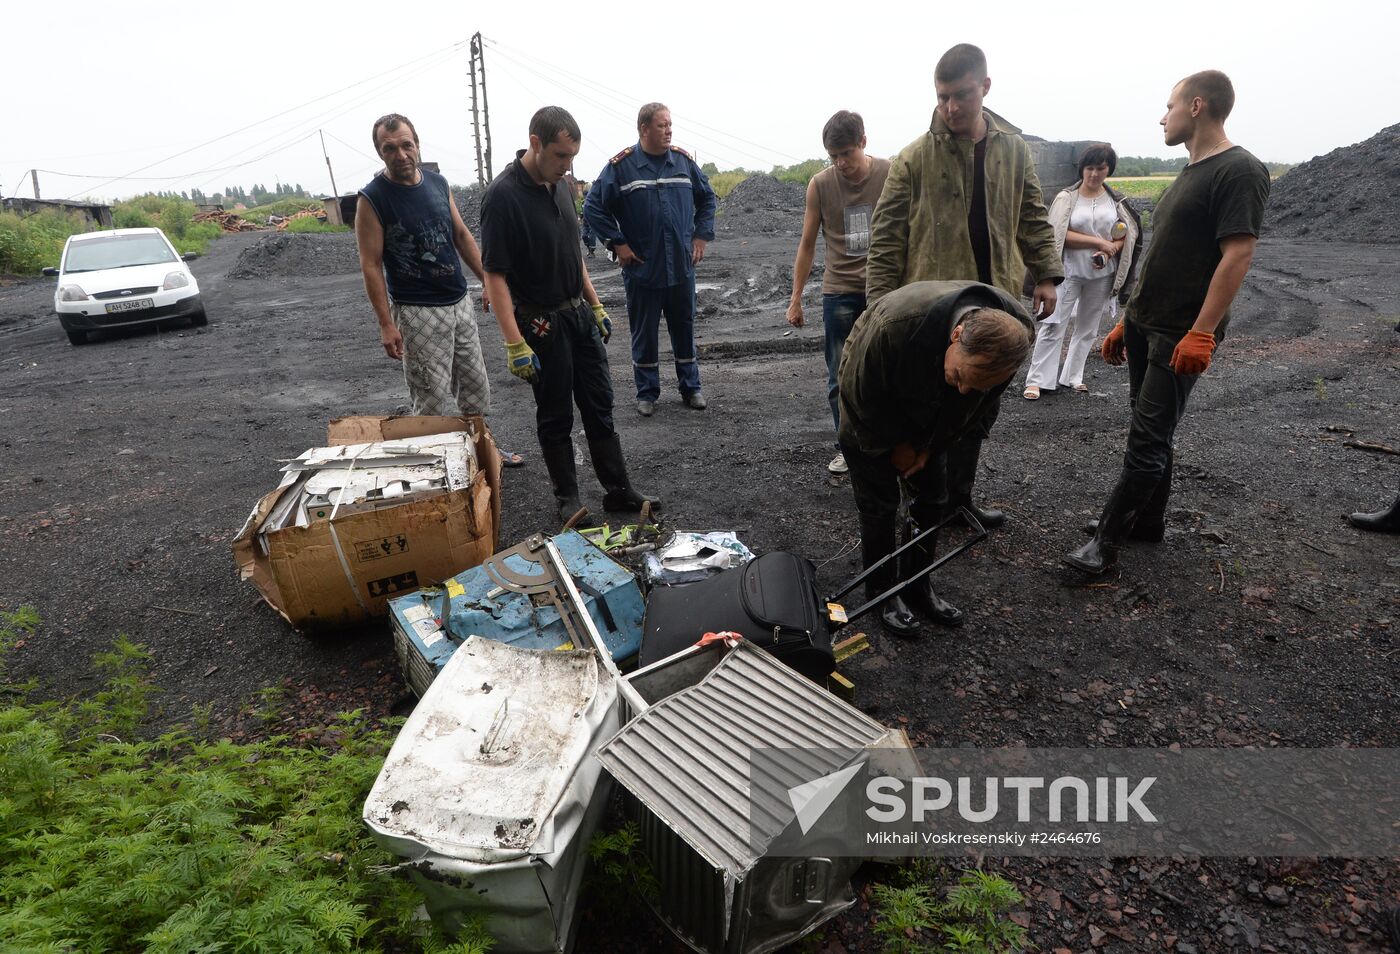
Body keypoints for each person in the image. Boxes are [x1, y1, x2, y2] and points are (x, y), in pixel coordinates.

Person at [1065, 71, 1271, 575]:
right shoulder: (1190, 171)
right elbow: (1164, 257)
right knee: (1149, 428)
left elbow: (1238, 255)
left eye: (1170, 105)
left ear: (1197, 106)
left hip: (1182, 332)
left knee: (1148, 437)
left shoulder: (1239, 170)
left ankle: (1105, 545)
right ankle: (1147, 522)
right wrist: (1127, 320)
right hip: (1148, 324)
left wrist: (1203, 331)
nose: (1163, 116)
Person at [866, 43, 1062, 530]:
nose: (951, 107)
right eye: (942, 97)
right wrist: (876, 314)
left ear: (986, 88)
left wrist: (1047, 273)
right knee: (930, 409)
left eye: (961, 95)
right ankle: (926, 505)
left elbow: (1032, 215)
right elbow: (886, 242)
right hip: (938, 314)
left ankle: (959, 500)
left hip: (997, 302)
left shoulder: (1015, 151)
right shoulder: (911, 160)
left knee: (978, 407)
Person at [479, 106, 658, 527]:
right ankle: (568, 499)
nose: (567, 166)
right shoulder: (502, 196)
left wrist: (594, 304)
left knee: (600, 404)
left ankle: (618, 491)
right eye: (561, 156)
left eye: (572, 157)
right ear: (536, 144)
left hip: (577, 315)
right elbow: (495, 276)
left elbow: (572, 253)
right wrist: (513, 342)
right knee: (556, 412)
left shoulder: (562, 187)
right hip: (540, 324)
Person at [839, 280, 1034, 635]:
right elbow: (859, 395)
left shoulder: (1015, 337)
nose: (963, 389)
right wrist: (894, 447)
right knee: (879, 502)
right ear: (957, 334)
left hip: (935, 414)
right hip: (873, 402)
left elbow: (977, 405)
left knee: (933, 498)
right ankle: (882, 591)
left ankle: (917, 584)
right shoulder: (893, 326)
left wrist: (931, 446)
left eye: (975, 384)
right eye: (961, 376)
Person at [354, 113, 523, 466]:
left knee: (476, 385)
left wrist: (487, 281)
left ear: (417, 144)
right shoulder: (372, 199)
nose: (400, 154)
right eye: (390, 148)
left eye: (406, 145)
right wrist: (386, 323)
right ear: (379, 152)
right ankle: (434, 466)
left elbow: (460, 235)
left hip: (459, 301)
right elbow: (370, 264)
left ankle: (482, 452)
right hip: (417, 311)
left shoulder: (437, 183)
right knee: (430, 398)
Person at [584, 103, 717, 417]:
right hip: (643, 268)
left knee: (684, 328)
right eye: (662, 126)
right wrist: (618, 244)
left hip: (682, 268)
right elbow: (593, 207)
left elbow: (708, 198)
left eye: (670, 125)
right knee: (644, 332)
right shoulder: (621, 167)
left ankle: (691, 387)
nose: (669, 130)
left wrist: (701, 235)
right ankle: (647, 392)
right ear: (644, 129)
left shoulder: (684, 163)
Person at [786, 110, 891, 476]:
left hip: (883, 291)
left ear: (863, 141)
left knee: (886, 373)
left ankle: (887, 445)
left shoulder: (889, 174)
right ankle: (848, 447)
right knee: (839, 378)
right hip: (839, 293)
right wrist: (796, 297)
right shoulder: (820, 184)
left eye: (846, 153)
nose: (841, 163)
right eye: (833, 156)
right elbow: (807, 244)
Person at [1023, 143, 1142, 399]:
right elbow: (1058, 233)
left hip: (1102, 273)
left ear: (1108, 169)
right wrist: (1098, 242)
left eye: (1100, 168)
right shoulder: (1067, 198)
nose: (1094, 174)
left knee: (1088, 327)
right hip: (1068, 270)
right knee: (1054, 323)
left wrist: (1110, 248)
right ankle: (1037, 380)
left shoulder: (1115, 201)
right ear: (1082, 169)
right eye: (1089, 168)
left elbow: (1125, 234)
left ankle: (1073, 376)